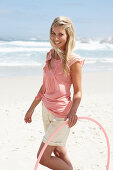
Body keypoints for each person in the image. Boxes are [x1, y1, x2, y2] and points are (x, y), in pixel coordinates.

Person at [24, 16, 85, 170]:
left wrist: (73, 112)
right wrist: (32, 107)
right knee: (58, 150)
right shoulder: (50, 55)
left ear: (68, 35)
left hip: (61, 114)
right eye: (53, 33)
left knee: (42, 157)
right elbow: (44, 86)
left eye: (60, 34)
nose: (56, 38)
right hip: (46, 109)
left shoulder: (74, 60)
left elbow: (78, 91)